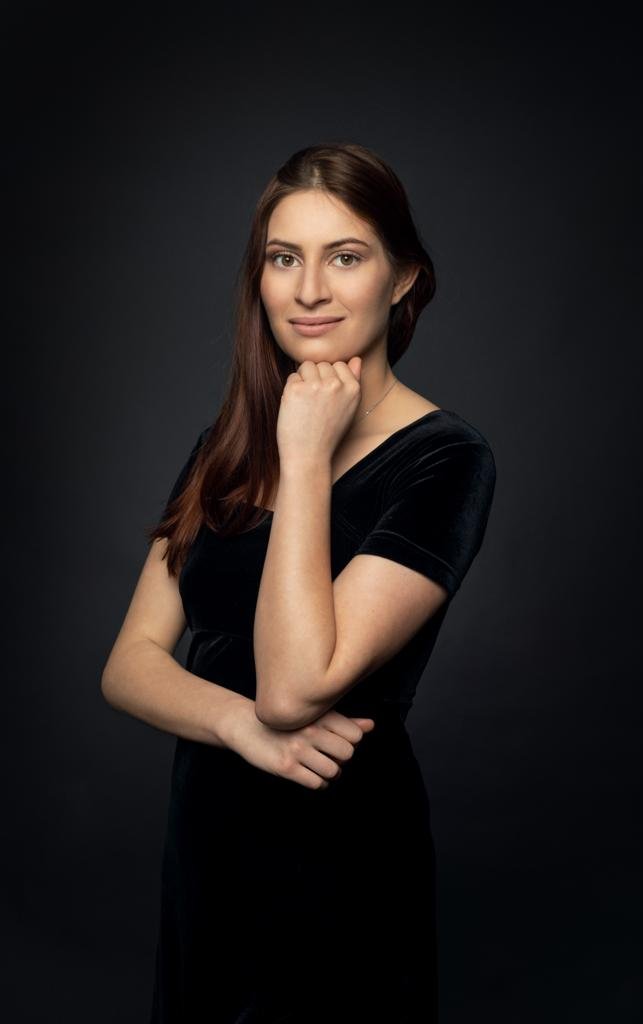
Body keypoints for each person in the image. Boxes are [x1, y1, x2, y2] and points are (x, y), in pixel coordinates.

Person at [101, 141, 497, 1023]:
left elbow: (291, 688)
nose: (309, 289)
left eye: (344, 257)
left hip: (338, 858)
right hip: (207, 849)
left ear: (402, 279)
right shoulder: (226, 446)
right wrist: (237, 727)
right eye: (284, 259)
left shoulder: (445, 459)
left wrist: (307, 456)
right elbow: (129, 663)